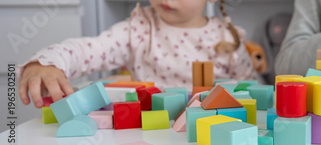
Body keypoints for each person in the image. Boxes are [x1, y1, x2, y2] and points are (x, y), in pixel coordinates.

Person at [18, 0, 260, 108]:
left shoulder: (227, 39)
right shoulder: (139, 29)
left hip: (209, 138)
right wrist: (48, 63)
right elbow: (89, 49)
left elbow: (251, 93)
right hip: (147, 135)